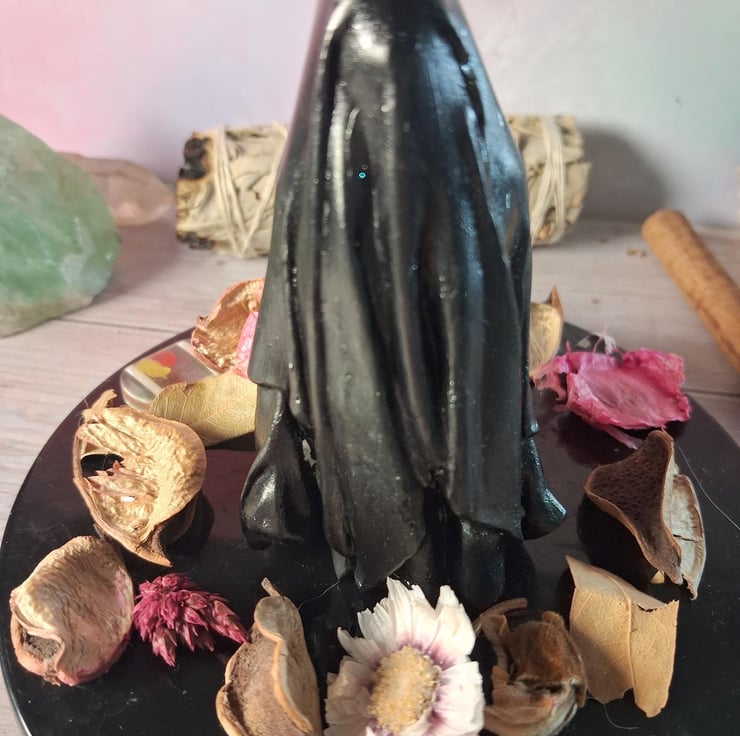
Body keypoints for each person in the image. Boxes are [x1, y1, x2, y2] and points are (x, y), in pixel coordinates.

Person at [241, 0, 565, 611]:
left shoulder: (439, 83)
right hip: (351, 326)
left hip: (440, 291)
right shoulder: (358, 53)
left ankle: (450, 535)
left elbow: (497, 220)